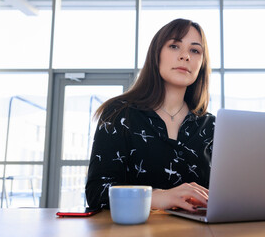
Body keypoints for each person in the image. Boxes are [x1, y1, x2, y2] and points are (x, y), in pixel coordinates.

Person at [85, 18, 215, 212]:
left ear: (202, 64)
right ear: (156, 54)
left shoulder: (212, 126)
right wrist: (157, 197)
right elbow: (97, 193)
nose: (185, 56)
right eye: (174, 46)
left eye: (195, 50)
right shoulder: (119, 113)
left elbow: (225, 194)